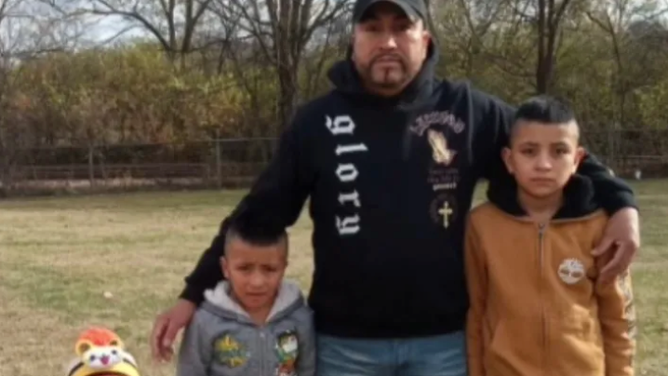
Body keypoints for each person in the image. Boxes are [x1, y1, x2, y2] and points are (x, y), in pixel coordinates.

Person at [152, 0, 641, 375]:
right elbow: (259, 212)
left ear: (423, 38)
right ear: (354, 40)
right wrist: (194, 293)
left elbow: (553, 147)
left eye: (400, 28)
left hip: (443, 343)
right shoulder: (316, 121)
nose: (387, 41)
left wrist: (623, 205)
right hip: (345, 343)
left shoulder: (468, 110)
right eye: (373, 28)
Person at [464, 95, 637, 376]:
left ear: (577, 159)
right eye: (529, 151)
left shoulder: (600, 226)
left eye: (558, 152)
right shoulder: (482, 225)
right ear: (509, 160)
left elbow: (618, 317)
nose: (544, 164)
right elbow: (476, 312)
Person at [175, 213, 315, 376]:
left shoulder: (299, 317)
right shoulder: (205, 322)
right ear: (225, 268)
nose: (257, 282)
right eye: (244, 268)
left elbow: (308, 370)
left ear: (284, 268)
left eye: (269, 269)